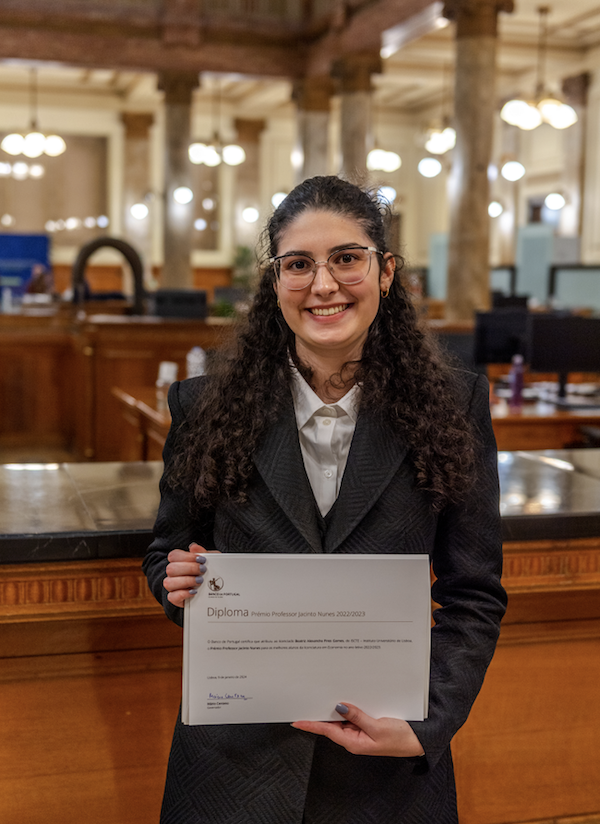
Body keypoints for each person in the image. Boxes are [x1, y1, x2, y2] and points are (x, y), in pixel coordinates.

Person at [143, 175, 507, 824]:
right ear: (274, 280)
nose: (323, 284)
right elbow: (167, 552)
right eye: (298, 264)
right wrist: (178, 586)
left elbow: (474, 592)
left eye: (346, 258)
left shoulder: (455, 405)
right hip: (234, 771)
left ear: (385, 272)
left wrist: (427, 724)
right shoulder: (204, 407)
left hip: (385, 776)